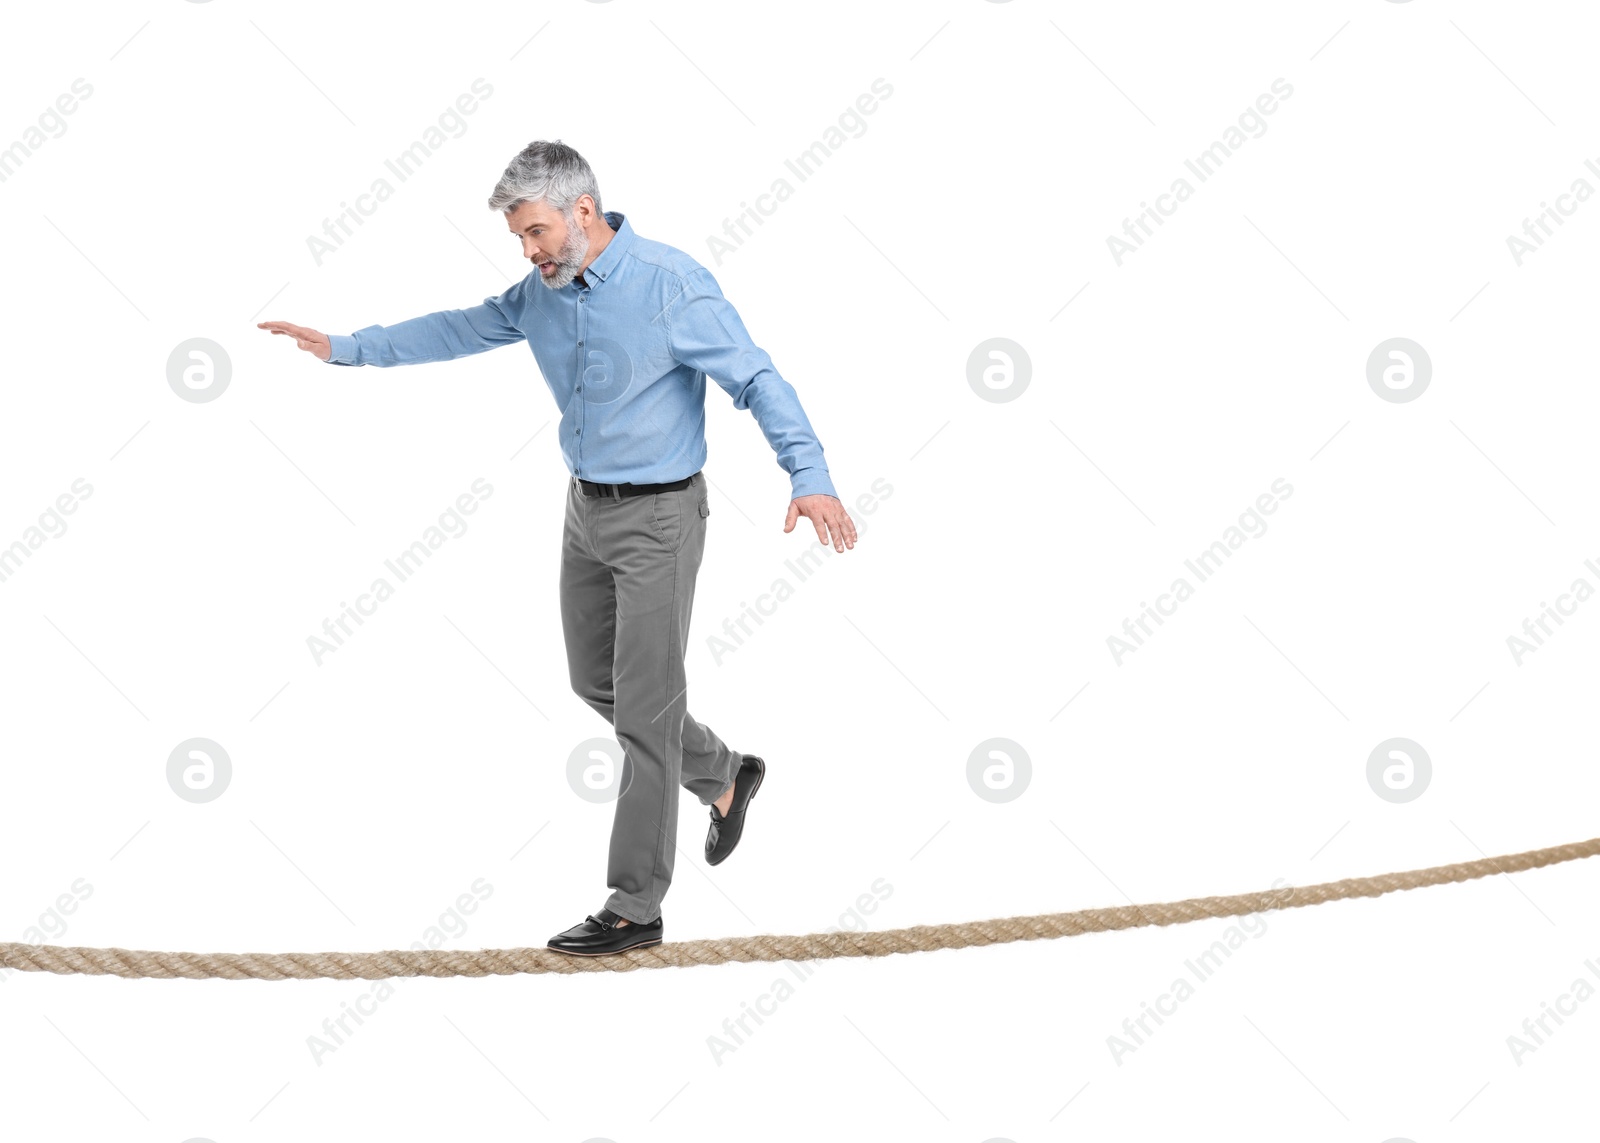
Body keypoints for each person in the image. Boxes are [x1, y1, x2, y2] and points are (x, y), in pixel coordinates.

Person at [259, 139, 856, 956]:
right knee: (595, 682)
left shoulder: (671, 285)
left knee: (645, 715)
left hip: (660, 521)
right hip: (585, 512)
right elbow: (459, 328)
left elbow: (758, 379)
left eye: (536, 232)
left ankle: (635, 905)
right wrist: (346, 345)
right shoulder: (542, 292)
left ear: (583, 211)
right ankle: (724, 774)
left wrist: (809, 474)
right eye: (519, 238)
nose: (529, 251)